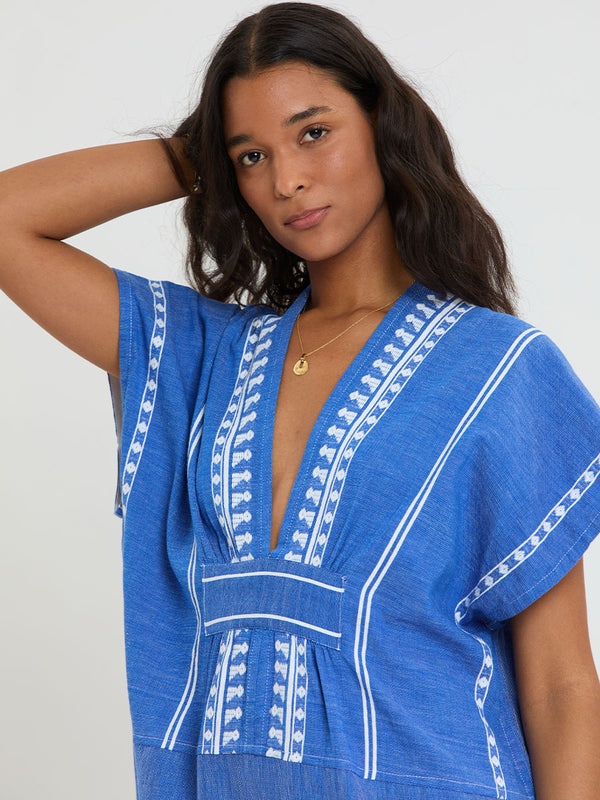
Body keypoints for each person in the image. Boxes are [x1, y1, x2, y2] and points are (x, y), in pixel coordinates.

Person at [1, 2, 599, 798]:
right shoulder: (203, 358)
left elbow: (561, 683)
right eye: (252, 156)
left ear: (382, 124)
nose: (287, 181)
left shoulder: (499, 370)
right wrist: (196, 152)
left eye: (313, 132)